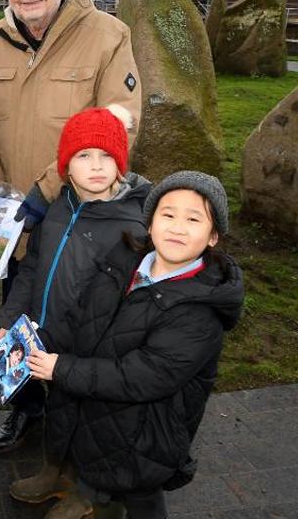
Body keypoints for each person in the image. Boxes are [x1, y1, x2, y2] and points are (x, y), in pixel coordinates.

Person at [0, 0, 142, 451]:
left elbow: (119, 124)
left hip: (78, 216)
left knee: (75, 322)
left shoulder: (107, 35)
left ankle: (74, 427)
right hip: (16, 222)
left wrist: (47, 188)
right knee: (18, 313)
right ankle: (25, 411)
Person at [28, 171, 243, 519]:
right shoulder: (125, 259)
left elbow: (143, 375)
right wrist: (43, 343)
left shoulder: (200, 311)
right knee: (95, 465)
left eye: (193, 219)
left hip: (145, 434)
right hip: (97, 409)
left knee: (140, 497)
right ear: (151, 220)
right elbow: (83, 315)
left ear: (213, 235)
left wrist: (62, 369)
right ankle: (88, 498)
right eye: (168, 214)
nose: (177, 227)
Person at [0, 106, 150, 517]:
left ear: (121, 161)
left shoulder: (133, 224)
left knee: (95, 420)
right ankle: (56, 470)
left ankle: (92, 495)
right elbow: (30, 269)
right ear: (65, 165)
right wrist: (9, 321)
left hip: (95, 352)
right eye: (84, 156)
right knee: (60, 408)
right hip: (49, 339)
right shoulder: (59, 207)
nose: (96, 166)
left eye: (106, 156)